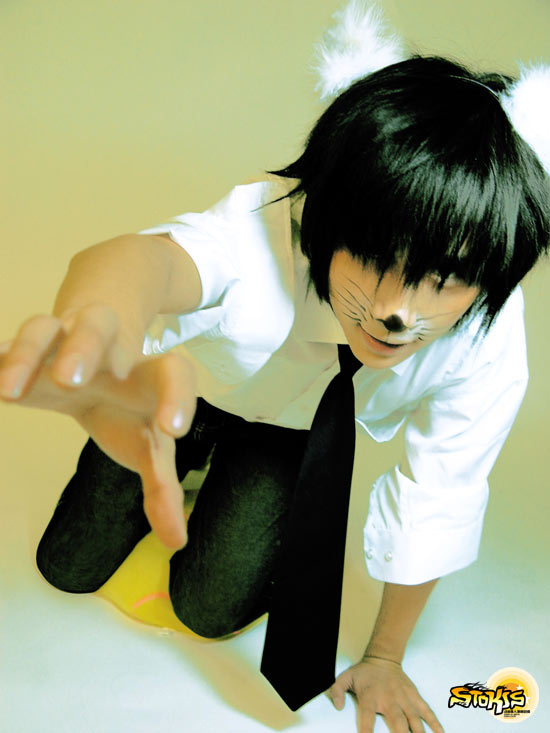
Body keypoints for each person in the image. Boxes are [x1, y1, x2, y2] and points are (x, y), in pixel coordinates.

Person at [1, 3, 549, 732]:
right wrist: (102, 327)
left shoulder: (486, 334)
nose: (395, 310)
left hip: (291, 434)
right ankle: (179, 459)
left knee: (208, 608)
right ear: (326, 216)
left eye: (442, 277)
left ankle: (222, 483)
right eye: (372, 257)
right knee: (66, 564)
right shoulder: (261, 227)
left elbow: (443, 489)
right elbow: (146, 261)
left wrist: (384, 656)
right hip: (177, 391)